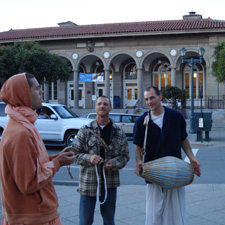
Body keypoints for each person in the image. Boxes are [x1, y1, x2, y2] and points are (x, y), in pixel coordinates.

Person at [0, 73, 76, 224]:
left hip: (36, 214)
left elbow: (32, 166)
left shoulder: (24, 124)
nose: (41, 92)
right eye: (37, 88)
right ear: (23, 94)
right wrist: (57, 163)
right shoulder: (20, 132)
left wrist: (55, 158)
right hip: (32, 218)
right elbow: (28, 182)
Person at [133, 86, 201, 225]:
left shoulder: (176, 117)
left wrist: (192, 158)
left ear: (160, 97)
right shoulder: (141, 121)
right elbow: (138, 145)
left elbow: (183, 139)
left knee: (176, 212)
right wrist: (139, 161)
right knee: (154, 213)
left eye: (152, 97)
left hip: (175, 172)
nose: (149, 101)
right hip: (152, 172)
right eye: (146, 99)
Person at [73, 96, 130, 225]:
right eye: (99, 104)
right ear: (95, 107)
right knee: (85, 221)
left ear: (110, 107)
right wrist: (89, 158)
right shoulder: (85, 130)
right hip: (88, 183)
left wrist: (113, 163)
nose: (102, 106)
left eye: (105, 104)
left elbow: (125, 156)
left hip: (109, 183)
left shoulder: (118, 132)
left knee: (109, 221)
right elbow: (74, 155)